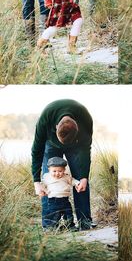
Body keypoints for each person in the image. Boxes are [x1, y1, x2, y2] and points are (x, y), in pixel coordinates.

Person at [31, 99, 93, 230]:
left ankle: (84, 220)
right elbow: (36, 151)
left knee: (80, 182)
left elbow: (86, 149)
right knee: (49, 179)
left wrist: (84, 177)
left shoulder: (85, 119)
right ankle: (50, 224)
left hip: (76, 146)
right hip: (51, 145)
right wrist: (36, 182)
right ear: (55, 128)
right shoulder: (45, 118)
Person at [40, 157, 80, 231]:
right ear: (49, 170)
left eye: (60, 171)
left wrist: (77, 183)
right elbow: (42, 185)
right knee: (54, 214)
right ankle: (51, 227)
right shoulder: (47, 177)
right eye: (54, 171)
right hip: (53, 200)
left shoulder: (66, 177)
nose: (57, 173)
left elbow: (72, 181)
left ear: (64, 170)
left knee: (68, 214)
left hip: (65, 200)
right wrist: (43, 190)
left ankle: (70, 226)